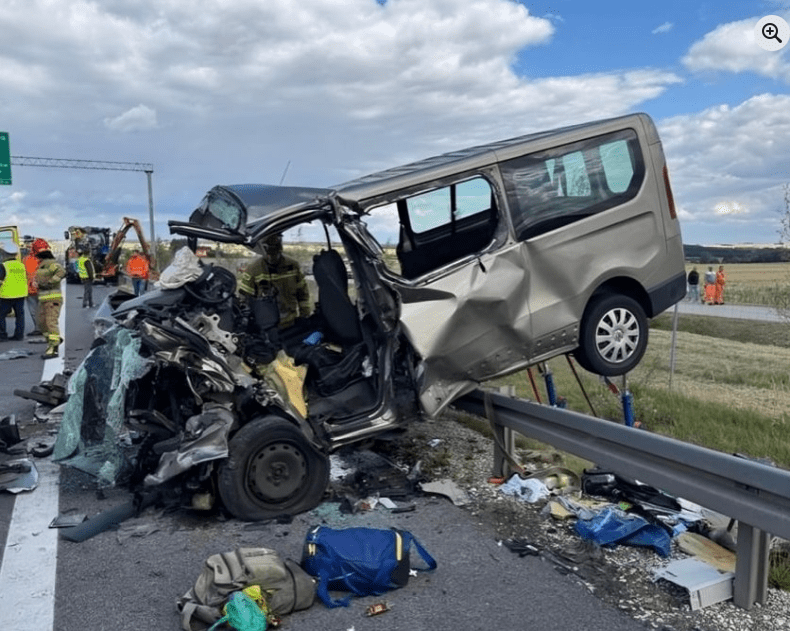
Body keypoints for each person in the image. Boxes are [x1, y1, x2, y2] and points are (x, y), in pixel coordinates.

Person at [238, 234, 311, 329]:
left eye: (275, 254)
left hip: (291, 324)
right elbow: (244, 297)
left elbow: (303, 294)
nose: (271, 258)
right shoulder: (254, 269)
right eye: (269, 254)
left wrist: (305, 316)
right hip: (266, 326)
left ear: (280, 249)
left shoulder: (293, 266)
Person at [34, 239, 66, 359]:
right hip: (43, 299)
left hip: (52, 299)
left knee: (50, 323)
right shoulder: (42, 265)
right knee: (42, 323)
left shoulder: (50, 263)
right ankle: (54, 340)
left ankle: (53, 348)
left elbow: (61, 272)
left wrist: (50, 283)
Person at [0, 243, 28, 341]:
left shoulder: (3, 266)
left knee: (1, 316)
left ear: (5, 254)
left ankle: (2, 335)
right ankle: (19, 335)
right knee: (20, 316)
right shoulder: (21, 265)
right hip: (20, 294)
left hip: (6, 294)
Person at [23, 240, 44, 335]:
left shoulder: (26, 259)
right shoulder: (43, 259)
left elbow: (26, 274)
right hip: (42, 288)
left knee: (33, 309)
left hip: (31, 289)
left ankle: (38, 328)